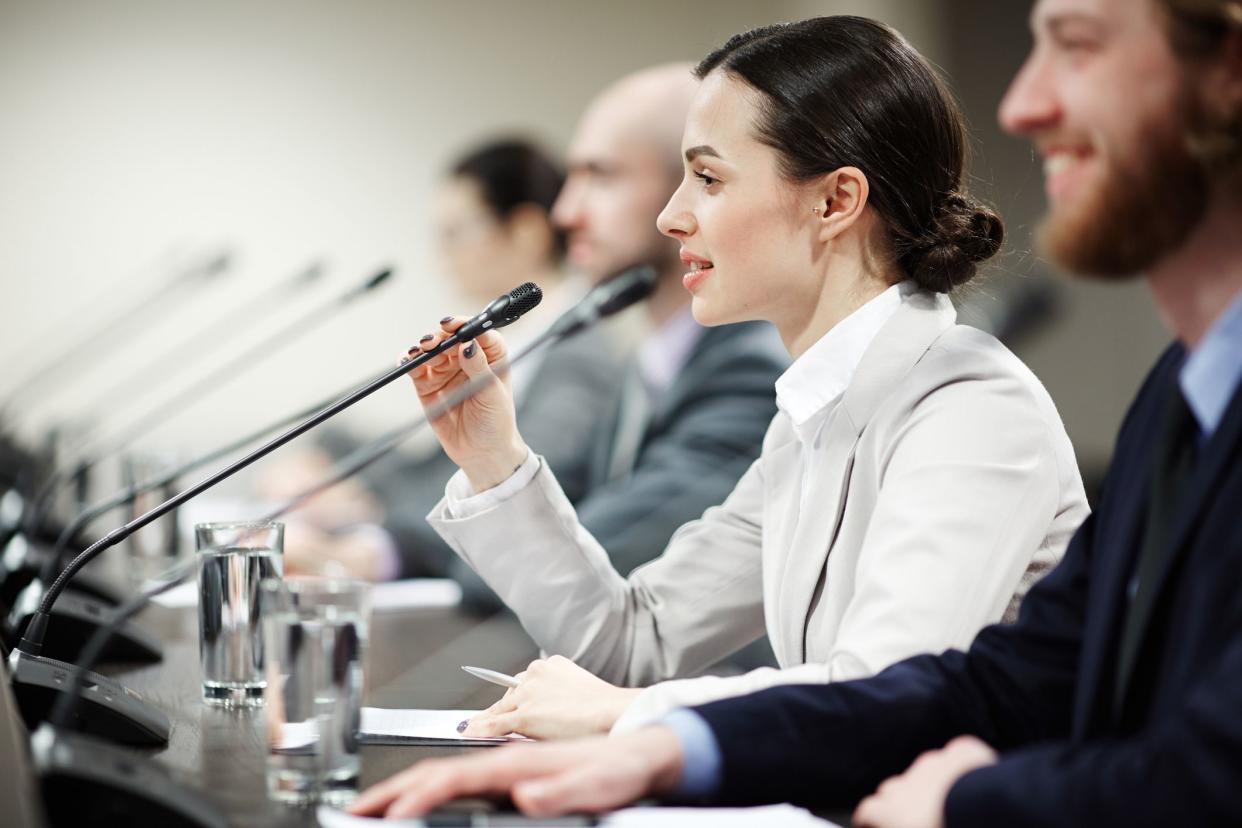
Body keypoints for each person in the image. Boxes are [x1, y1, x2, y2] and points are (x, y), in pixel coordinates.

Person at [350, 1, 1242, 824]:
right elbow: (638, 639)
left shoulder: (968, 405)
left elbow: (883, 689)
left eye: (707, 178)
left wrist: (632, 720)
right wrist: (494, 459)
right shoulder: (818, 409)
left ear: (835, 201)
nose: (671, 216)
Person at [262, 139, 624, 589]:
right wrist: (332, 459)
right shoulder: (521, 337)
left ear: (527, 231)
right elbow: (438, 469)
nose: (440, 259)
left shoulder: (577, 356)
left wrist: (369, 541)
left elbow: (508, 492)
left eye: (455, 234)